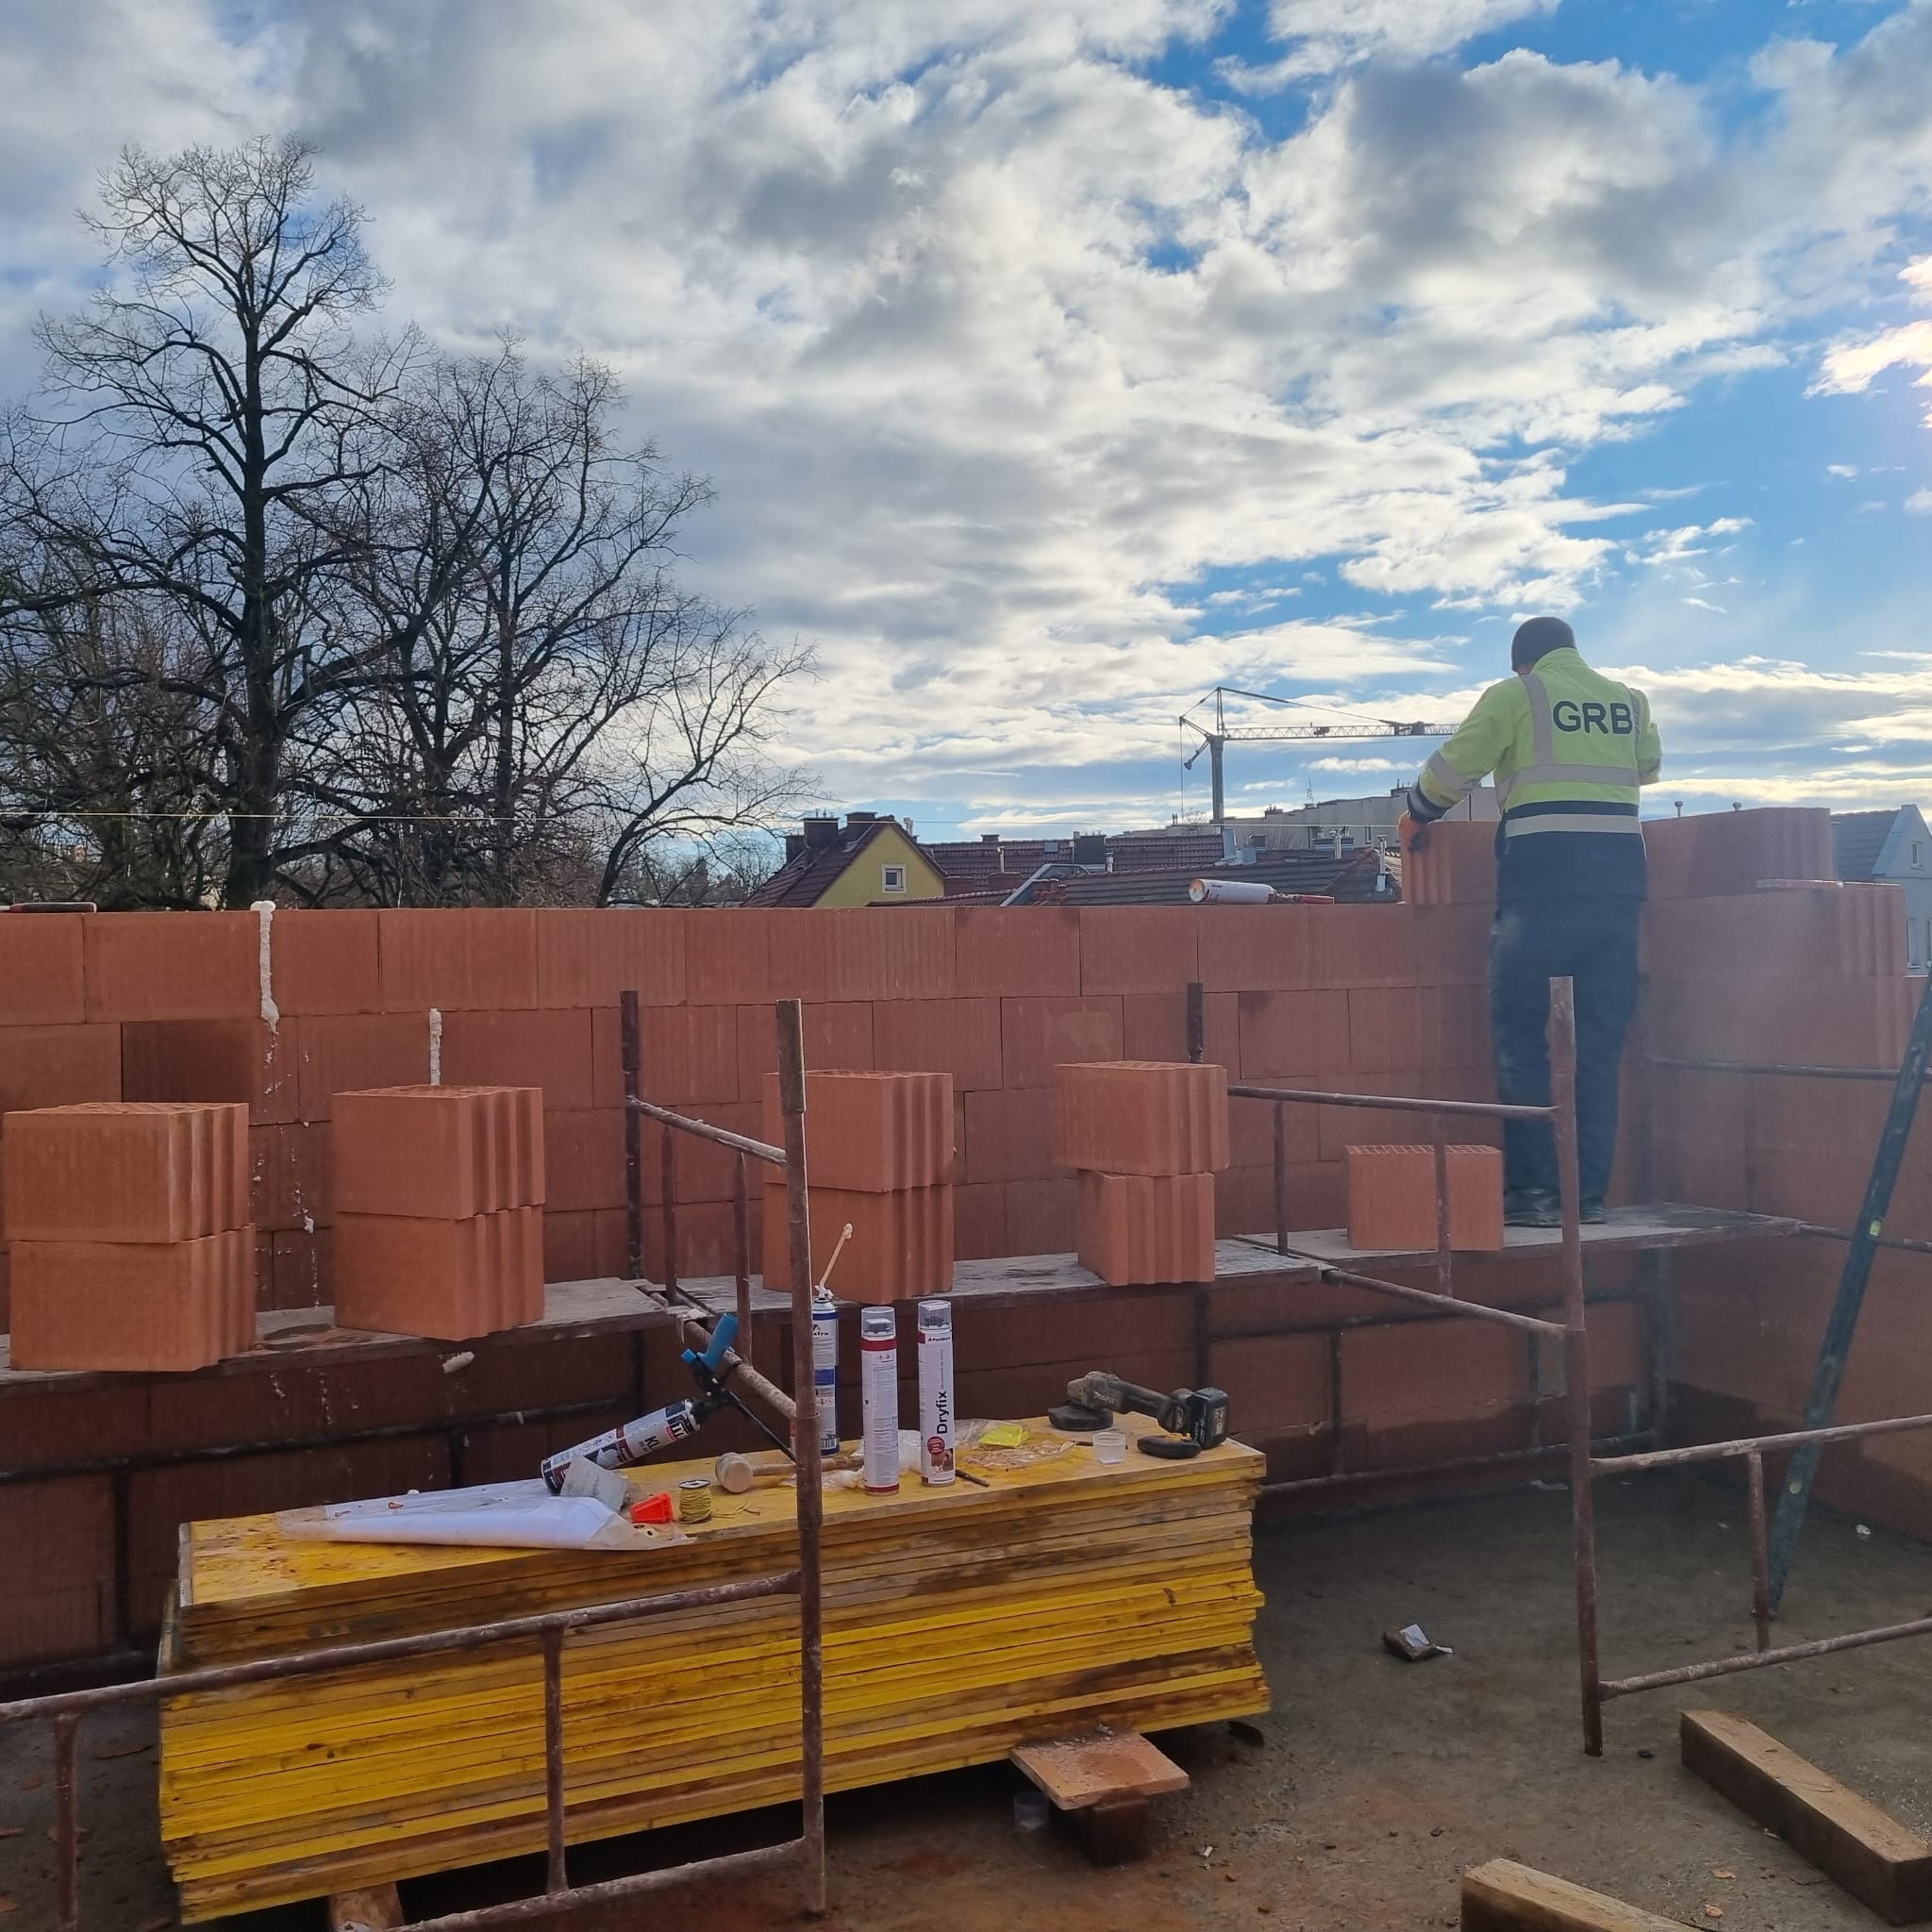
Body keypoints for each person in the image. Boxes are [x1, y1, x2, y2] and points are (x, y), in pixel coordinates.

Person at [1400, 617, 1662, 1227]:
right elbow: (1648, 767)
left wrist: (1416, 816)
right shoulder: (1627, 701)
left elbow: (1451, 770)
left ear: (1524, 663)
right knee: (1598, 1050)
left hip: (1540, 892)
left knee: (1522, 1040)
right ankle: (1588, 1199)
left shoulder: (1517, 696)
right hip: (1619, 896)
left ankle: (1537, 1196)